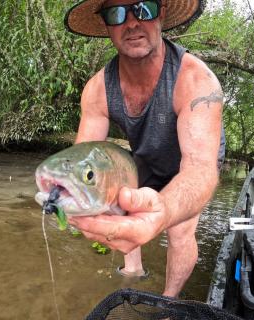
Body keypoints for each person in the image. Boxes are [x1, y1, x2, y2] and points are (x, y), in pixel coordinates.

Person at [64, 0, 225, 298]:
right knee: (121, 197)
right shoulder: (97, 89)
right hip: (146, 150)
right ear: (106, 25)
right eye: (116, 13)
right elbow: (83, 161)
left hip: (192, 157)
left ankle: (169, 302)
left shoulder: (196, 80)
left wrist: (163, 214)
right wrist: (70, 194)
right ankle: (133, 272)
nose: (132, 22)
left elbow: (199, 170)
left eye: (144, 7)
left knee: (179, 230)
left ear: (161, 13)